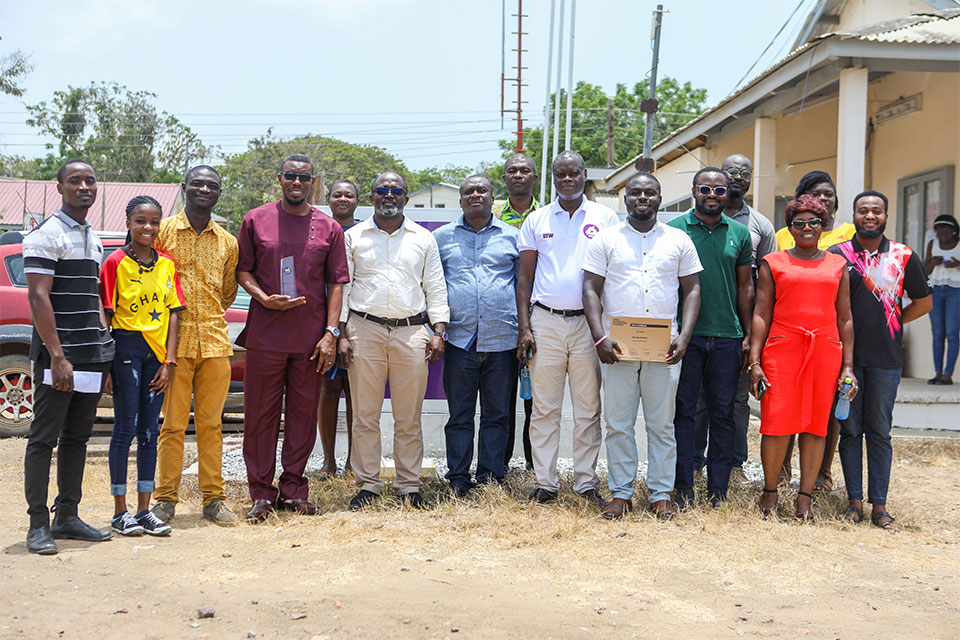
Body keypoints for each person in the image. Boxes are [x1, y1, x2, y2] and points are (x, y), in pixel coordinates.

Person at [582, 173, 702, 520]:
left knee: (661, 425)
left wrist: (685, 336)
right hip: (616, 348)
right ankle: (620, 493)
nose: (642, 198)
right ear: (625, 199)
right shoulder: (606, 240)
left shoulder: (678, 240)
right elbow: (590, 289)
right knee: (618, 424)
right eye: (635, 192)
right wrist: (599, 337)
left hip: (664, 349)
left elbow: (692, 289)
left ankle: (661, 493)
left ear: (660, 198)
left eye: (650, 192)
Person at [236, 154, 349, 521]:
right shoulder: (256, 219)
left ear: (313, 181)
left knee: (302, 416)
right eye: (290, 176)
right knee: (259, 417)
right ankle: (261, 494)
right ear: (280, 179)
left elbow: (336, 284)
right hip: (266, 335)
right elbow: (243, 270)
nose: (296, 183)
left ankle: (294, 489)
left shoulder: (329, 227)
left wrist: (330, 333)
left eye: (304, 178)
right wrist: (262, 297)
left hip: (310, 340)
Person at [338, 171, 449, 511]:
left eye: (396, 190)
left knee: (408, 417)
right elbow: (342, 288)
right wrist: (340, 333)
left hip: (412, 332)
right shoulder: (354, 237)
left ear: (405, 197)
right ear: (371, 196)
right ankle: (368, 486)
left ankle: (408, 486)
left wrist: (439, 331)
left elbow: (435, 285)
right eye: (382, 189)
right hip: (364, 330)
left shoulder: (423, 238)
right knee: (365, 416)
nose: (389, 195)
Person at [22, 159, 115, 555]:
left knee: (77, 438)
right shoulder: (46, 235)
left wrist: (103, 344)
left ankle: (68, 516)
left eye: (90, 181)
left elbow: (92, 294)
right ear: (58, 187)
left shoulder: (91, 237)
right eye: (74, 181)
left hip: (91, 355)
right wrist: (58, 357)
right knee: (43, 439)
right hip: (59, 357)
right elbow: (38, 296)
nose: (83, 187)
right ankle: (38, 525)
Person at [516, 150, 620, 505]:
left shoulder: (606, 218)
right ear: (554, 178)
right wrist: (525, 327)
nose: (567, 179)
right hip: (545, 322)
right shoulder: (538, 219)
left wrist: (605, 329)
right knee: (545, 409)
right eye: (561, 174)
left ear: (584, 175)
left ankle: (586, 482)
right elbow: (524, 278)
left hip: (590, 326)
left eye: (573, 173)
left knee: (588, 408)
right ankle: (545, 482)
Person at [747, 195, 856, 520]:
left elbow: (845, 318)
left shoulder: (837, 265)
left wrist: (848, 366)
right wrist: (755, 361)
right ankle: (770, 492)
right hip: (782, 350)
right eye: (799, 223)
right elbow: (761, 314)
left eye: (814, 222)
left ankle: (804, 498)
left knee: (816, 426)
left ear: (824, 226)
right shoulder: (773, 262)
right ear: (789, 227)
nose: (807, 228)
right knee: (776, 423)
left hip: (825, 351)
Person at [830, 190, 932, 530]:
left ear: (886, 216)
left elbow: (923, 302)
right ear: (854, 216)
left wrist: (893, 318)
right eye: (863, 210)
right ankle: (854, 503)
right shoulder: (839, 255)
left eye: (876, 210)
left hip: (887, 360)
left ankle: (880, 506)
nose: (870, 215)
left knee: (879, 433)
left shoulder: (904, 255)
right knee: (849, 430)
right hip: (845, 360)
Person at [152, 165, 240, 526]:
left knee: (211, 425)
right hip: (173, 346)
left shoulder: (227, 242)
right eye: (198, 183)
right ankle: (165, 499)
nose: (205, 189)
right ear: (184, 186)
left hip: (215, 344)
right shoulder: (163, 232)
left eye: (212, 185)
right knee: (172, 425)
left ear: (219, 192)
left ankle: (214, 499)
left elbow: (228, 292)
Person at [668, 167, 754, 508]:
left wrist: (748, 334)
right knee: (684, 412)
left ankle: (718, 491)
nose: (712, 195)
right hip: (685, 338)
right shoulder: (673, 231)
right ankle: (684, 487)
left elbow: (746, 287)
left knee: (722, 414)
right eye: (706, 189)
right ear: (694, 191)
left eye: (720, 191)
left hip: (727, 337)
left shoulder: (739, 233)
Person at [99, 196, 184, 536]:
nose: (147, 228)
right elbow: (105, 315)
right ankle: (120, 512)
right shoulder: (114, 263)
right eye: (140, 221)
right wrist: (105, 366)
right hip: (125, 349)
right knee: (125, 428)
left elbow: (175, 313)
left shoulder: (167, 263)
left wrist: (170, 361)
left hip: (157, 356)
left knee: (150, 431)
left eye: (153, 221)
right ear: (128, 223)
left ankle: (144, 510)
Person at [692, 154, 776, 483]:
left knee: (737, 401)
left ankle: (735, 465)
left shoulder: (759, 226)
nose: (738, 177)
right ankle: (696, 462)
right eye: (732, 172)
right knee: (697, 400)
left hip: (738, 326)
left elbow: (764, 283)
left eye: (745, 173)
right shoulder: (689, 223)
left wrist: (753, 333)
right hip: (698, 325)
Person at [435, 175, 519, 496]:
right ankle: (458, 477)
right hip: (459, 340)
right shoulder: (441, 238)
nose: (474, 194)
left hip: (502, 341)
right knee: (460, 415)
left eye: (481, 190)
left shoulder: (513, 237)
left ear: (491, 197)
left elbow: (523, 286)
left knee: (497, 415)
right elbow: (433, 284)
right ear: (460, 201)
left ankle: (490, 478)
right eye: (468, 191)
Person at [779, 171, 854, 491]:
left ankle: (822, 472)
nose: (823, 198)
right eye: (815, 192)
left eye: (829, 193)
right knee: (788, 405)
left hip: (831, 331)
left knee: (826, 409)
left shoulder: (849, 233)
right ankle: (782, 469)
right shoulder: (785, 234)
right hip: (789, 334)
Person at [493, 153, 540, 471]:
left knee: (538, 398)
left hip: (542, 315)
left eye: (525, 170)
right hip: (503, 319)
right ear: (505, 178)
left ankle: (535, 464)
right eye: (512, 170)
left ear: (535, 177)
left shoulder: (548, 215)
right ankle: (501, 463)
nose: (518, 175)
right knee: (503, 396)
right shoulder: (490, 212)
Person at [317, 179, 361, 476]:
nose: (342, 199)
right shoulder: (319, 229)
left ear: (358, 201)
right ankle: (329, 460)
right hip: (322, 318)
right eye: (337, 194)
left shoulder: (364, 232)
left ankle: (352, 461)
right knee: (328, 389)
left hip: (359, 321)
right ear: (328, 199)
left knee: (356, 392)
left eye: (349, 195)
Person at [776, 171, 855, 251]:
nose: (823, 198)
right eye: (815, 194)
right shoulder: (781, 236)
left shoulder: (852, 233)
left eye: (829, 194)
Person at [924, 214, 960, 385]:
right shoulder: (933, 244)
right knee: (937, 333)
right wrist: (933, 263)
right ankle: (937, 373)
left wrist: (957, 264)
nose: (943, 236)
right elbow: (925, 269)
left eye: (946, 233)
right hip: (936, 290)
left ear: (954, 231)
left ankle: (948, 374)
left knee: (952, 333)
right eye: (940, 233)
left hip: (956, 291)